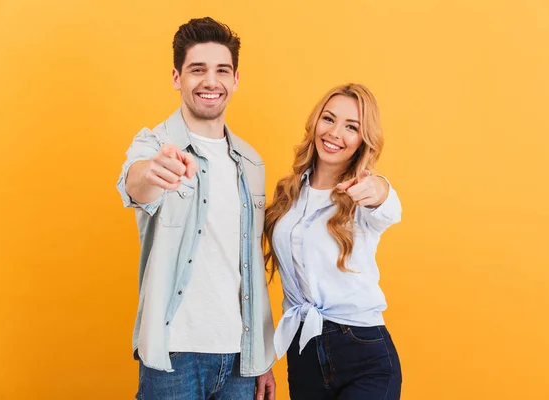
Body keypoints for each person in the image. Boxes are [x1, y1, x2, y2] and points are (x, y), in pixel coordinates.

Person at [116, 16, 276, 400]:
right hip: (173, 353)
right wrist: (153, 171)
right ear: (177, 77)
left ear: (235, 80)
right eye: (197, 69)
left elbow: (249, 262)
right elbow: (133, 184)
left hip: (240, 356)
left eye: (222, 70)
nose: (210, 81)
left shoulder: (251, 162)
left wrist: (263, 357)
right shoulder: (155, 144)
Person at [264, 83, 403, 399]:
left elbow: (388, 207)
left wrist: (379, 188)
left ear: (362, 140)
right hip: (303, 353)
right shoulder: (287, 194)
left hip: (363, 350)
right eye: (329, 119)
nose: (335, 133)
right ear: (315, 123)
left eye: (351, 127)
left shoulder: (362, 193)